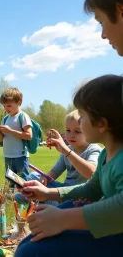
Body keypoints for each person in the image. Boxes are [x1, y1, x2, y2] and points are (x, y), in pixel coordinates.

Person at [15, 75, 123, 256]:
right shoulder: (107, 153)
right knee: (28, 244)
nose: (78, 122)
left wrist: (63, 219)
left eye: (82, 116)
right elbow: (92, 189)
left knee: (30, 252)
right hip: (107, 229)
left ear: (102, 124)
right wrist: (48, 193)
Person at [14, 110, 101, 205]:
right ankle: (34, 197)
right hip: (63, 189)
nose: (71, 135)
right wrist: (45, 178)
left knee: (25, 195)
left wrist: (66, 151)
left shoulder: (93, 149)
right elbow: (55, 171)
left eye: (77, 131)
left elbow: (91, 173)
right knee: (33, 176)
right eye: (68, 130)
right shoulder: (68, 149)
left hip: (80, 195)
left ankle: (30, 198)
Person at [0, 87, 32, 182]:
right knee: (10, 182)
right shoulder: (5, 119)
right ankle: (12, 197)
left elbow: (29, 135)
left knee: (23, 181)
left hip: (20, 155)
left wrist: (10, 131)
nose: (6, 108)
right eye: (4, 106)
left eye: (9, 106)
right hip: (8, 155)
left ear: (19, 103)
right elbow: (0, 139)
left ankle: (25, 197)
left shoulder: (23, 116)